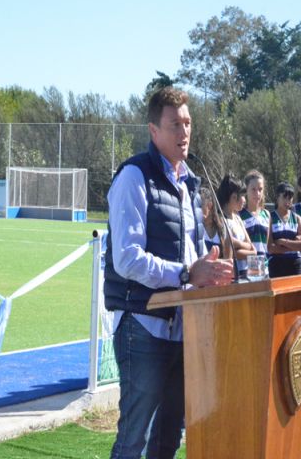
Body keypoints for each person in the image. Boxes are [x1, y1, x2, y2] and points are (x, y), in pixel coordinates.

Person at [104, 87, 233, 459]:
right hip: (143, 326)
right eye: (174, 124)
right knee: (135, 439)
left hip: (183, 330)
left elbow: (190, 256)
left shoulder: (189, 184)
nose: (184, 132)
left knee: (168, 441)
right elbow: (126, 259)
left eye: (188, 123)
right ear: (153, 131)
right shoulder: (133, 177)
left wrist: (209, 270)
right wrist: (187, 272)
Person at [217, 174, 256, 279]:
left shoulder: (238, 218)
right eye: (242, 196)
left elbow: (253, 249)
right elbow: (227, 251)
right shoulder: (220, 220)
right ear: (234, 196)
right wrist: (235, 245)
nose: (244, 200)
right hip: (232, 276)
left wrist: (236, 243)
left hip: (246, 274)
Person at [267, 182, 301, 277]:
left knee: (296, 292)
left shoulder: (297, 218)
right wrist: (294, 245)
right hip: (276, 264)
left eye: (290, 198)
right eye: (284, 197)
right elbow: (270, 248)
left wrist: (283, 241)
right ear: (277, 197)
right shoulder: (270, 217)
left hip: (295, 264)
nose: (287, 201)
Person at [240, 170, 270, 260]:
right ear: (246, 190)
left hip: (264, 267)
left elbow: (266, 246)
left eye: (260, 189)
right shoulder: (239, 215)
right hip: (246, 268)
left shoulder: (266, 214)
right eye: (253, 189)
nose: (257, 193)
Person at [200, 186, 232, 259]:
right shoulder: (196, 227)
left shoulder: (223, 226)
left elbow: (228, 259)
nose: (196, 209)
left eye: (200, 205)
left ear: (210, 205)